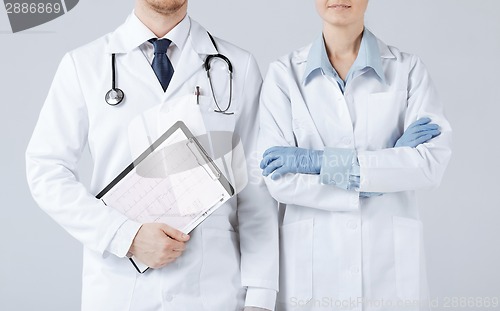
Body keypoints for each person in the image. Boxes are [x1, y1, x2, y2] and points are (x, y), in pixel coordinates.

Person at [25, 1, 278, 310]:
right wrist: (124, 236)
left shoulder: (238, 66)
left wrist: (261, 295)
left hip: (214, 290)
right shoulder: (84, 65)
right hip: (121, 289)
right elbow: (45, 170)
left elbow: (256, 189)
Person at [259, 0, 452, 310]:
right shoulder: (283, 75)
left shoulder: (408, 70)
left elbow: (430, 163)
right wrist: (385, 168)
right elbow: (278, 179)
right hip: (313, 271)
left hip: (388, 272)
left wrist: (318, 161)